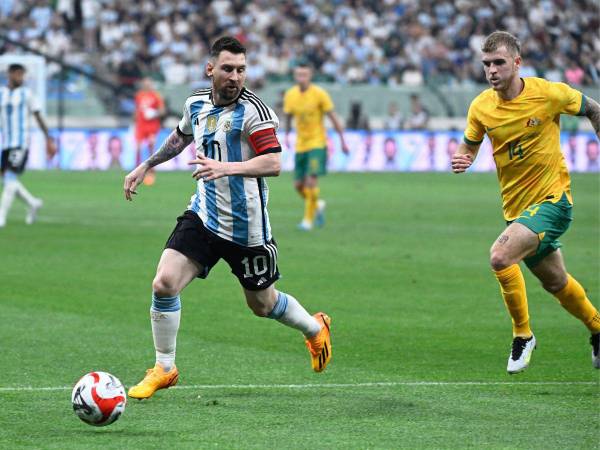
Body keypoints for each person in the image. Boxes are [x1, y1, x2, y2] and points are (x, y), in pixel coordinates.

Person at [123, 37, 332, 400]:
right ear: (211, 69)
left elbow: (274, 163)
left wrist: (226, 167)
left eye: (241, 70)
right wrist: (147, 164)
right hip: (203, 215)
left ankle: (315, 329)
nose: (235, 77)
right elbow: (180, 137)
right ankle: (165, 368)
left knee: (262, 305)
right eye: (228, 69)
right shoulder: (196, 104)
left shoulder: (255, 112)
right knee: (164, 283)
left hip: (246, 226)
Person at [452, 31, 600, 374]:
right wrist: (464, 157)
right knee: (556, 283)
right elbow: (469, 144)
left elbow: (593, 108)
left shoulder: (548, 94)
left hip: (553, 200)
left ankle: (523, 334)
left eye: (499, 63)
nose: (491, 70)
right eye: (486, 64)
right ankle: (596, 327)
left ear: (517, 63)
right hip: (516, 210)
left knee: (500, 257)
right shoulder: (481, 106)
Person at [283, 63, 349, 231]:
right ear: (295, 76)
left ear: (310, 75)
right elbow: (288, 117)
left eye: (304, 75)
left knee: (311, 181)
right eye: (298, 75)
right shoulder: (290, 95)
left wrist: (343, 141)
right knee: (298, 185)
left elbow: (333, 118)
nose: (301, 78)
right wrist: (287, 136)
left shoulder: (320, 94)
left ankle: (307, 220)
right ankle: (317, 204)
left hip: (317, 143)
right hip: (301, 144)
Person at [0, 63, 56, 227]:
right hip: (6, 143)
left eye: (22, 74)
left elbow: (38, 117)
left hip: (21, 142)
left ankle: (1, 216)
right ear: (9, 74)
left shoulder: (27, 94)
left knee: (10, 177)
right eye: (18, 74)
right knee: (8, 181)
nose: (20, 78)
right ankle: (33, 203)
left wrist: (49, 139)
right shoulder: (1, 93)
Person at [134, 77, 165, 185]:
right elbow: (137, 110)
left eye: (148, 83)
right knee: (137, 148)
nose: (147, 85)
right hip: (141, 126)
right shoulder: (139, 95)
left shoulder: (156, 95)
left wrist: (154, 113)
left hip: (152, 126)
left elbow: (162, 111)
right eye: (145, 84)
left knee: (151, 146)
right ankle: (136, 171)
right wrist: (135, 121)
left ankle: (151, 171)